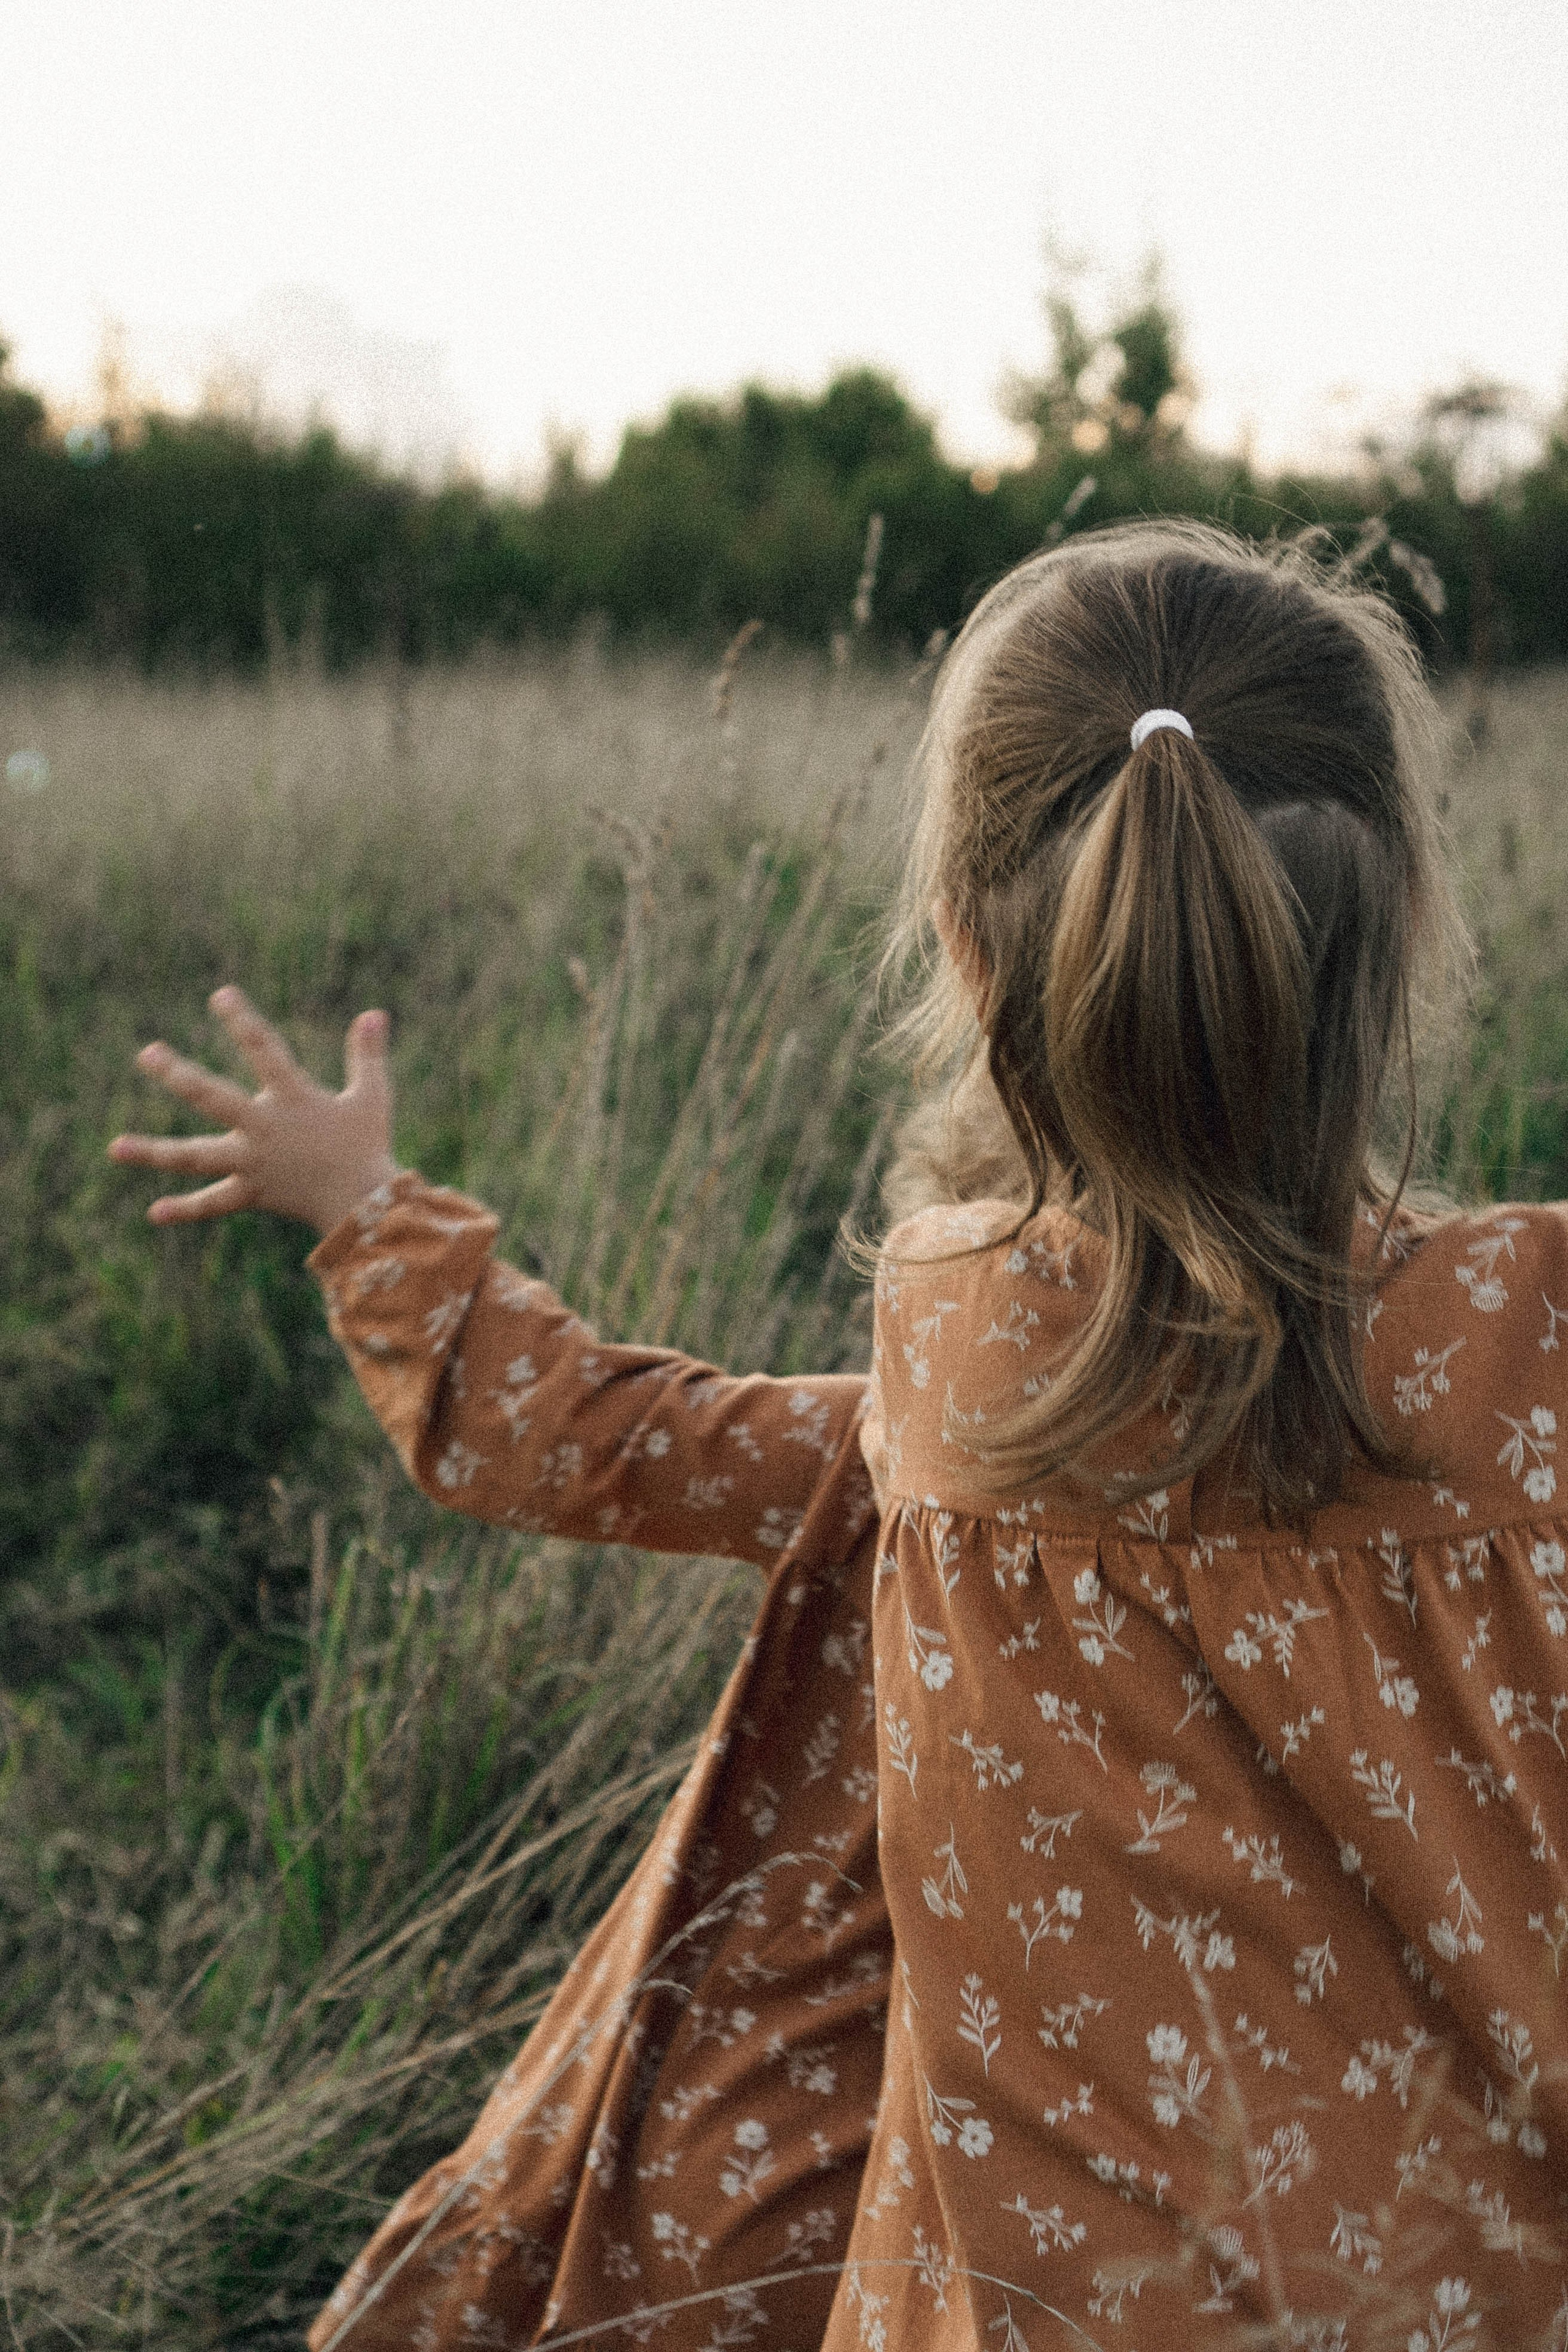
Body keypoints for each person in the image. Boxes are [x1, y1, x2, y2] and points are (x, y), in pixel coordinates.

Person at [111, 519, 1568, 2351]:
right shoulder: (1543, 1338)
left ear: (969, 947)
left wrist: (371, 1212)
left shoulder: (961, 1352)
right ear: (1413, 925)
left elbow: (593, 1438)